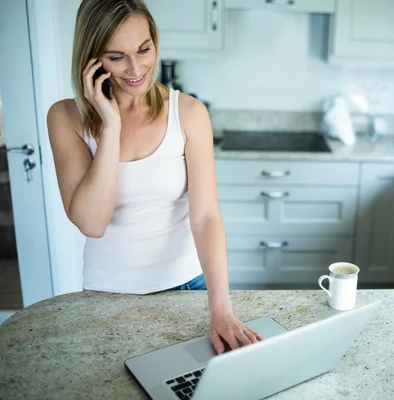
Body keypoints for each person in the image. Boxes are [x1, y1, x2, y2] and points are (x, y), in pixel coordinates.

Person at [46, 0, 261, 354]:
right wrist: (111, 125)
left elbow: (206, 216)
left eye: (144, 49)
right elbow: (92, 223)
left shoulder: (189, 113)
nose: (136, 68)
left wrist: (221, 308)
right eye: (116, 57)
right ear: (91, 59)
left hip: (186, 287)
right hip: (105, 296)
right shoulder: (66, 118)